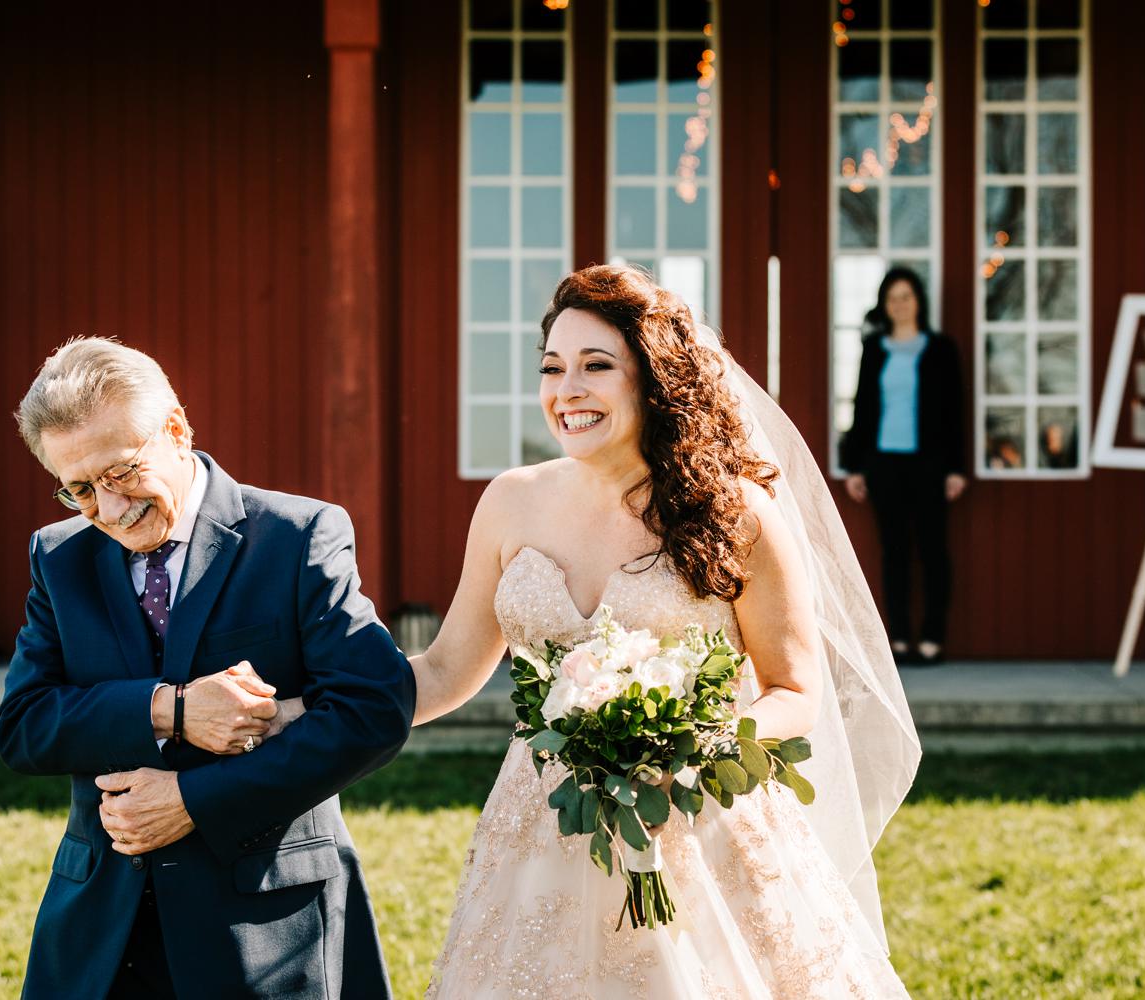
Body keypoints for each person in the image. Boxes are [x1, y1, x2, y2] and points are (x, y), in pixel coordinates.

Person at [276, 265, 920, 996]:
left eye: (595, 366)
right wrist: (299, 709)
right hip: (546, 825)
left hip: (698, 822)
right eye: (552, 368)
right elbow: (446, 671)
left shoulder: (736, 513)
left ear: (654, 378)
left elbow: (794, 688)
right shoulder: (511, 503)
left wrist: (693, 749)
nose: (566, 390)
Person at [0, 337, 415, 1000]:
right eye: (78, 489)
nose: (107, 509)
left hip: (265, 927)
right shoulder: (58, 557)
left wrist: (192, 803)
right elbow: (23, 725)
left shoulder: (299, 536)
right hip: (100, 935)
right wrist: (172, 708)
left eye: (121, 472)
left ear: (176, 430)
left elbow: (374, 712)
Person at [839, 266, 965, 666]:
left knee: (932, 551)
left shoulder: (941, 348)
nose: (900, 304)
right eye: (892, 298)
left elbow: (954, 412)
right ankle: (899, 640)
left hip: (929, 464)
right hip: (883, 464)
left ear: (918, 302)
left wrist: (956, 468)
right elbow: (862, 407)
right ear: (885, 305)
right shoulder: (875, 349)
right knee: (893, 553)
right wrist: (855, 465)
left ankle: (932, 636)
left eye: (906, 297)